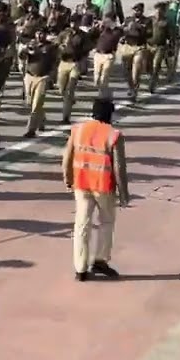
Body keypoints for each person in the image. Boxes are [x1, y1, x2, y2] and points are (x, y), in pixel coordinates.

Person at [62, 97, 129, 282]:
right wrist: (124, 194)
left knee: (82, 224)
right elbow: (119, 167)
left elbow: (67, 156)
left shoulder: (78, 129)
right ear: (110, 114)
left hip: (81, 184)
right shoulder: (114, 134)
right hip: (103, 185)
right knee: (106, 222)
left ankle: (80, 268)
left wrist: (67, 178)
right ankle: (100, 259)